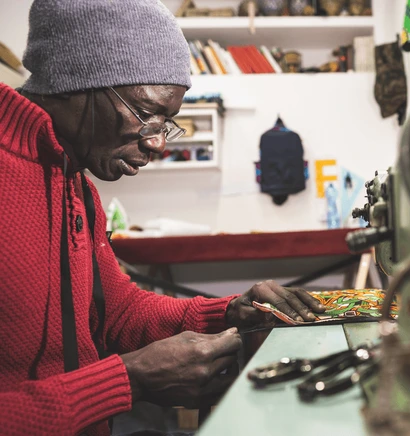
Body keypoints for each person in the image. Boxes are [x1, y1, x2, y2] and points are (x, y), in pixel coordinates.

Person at [0, 1, 325, 435]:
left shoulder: (77, 186)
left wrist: (229, 312)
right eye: (146, 114)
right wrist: (126, 381)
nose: (157, 143)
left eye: (166, 122)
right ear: (78, 83)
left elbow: (117, 313)